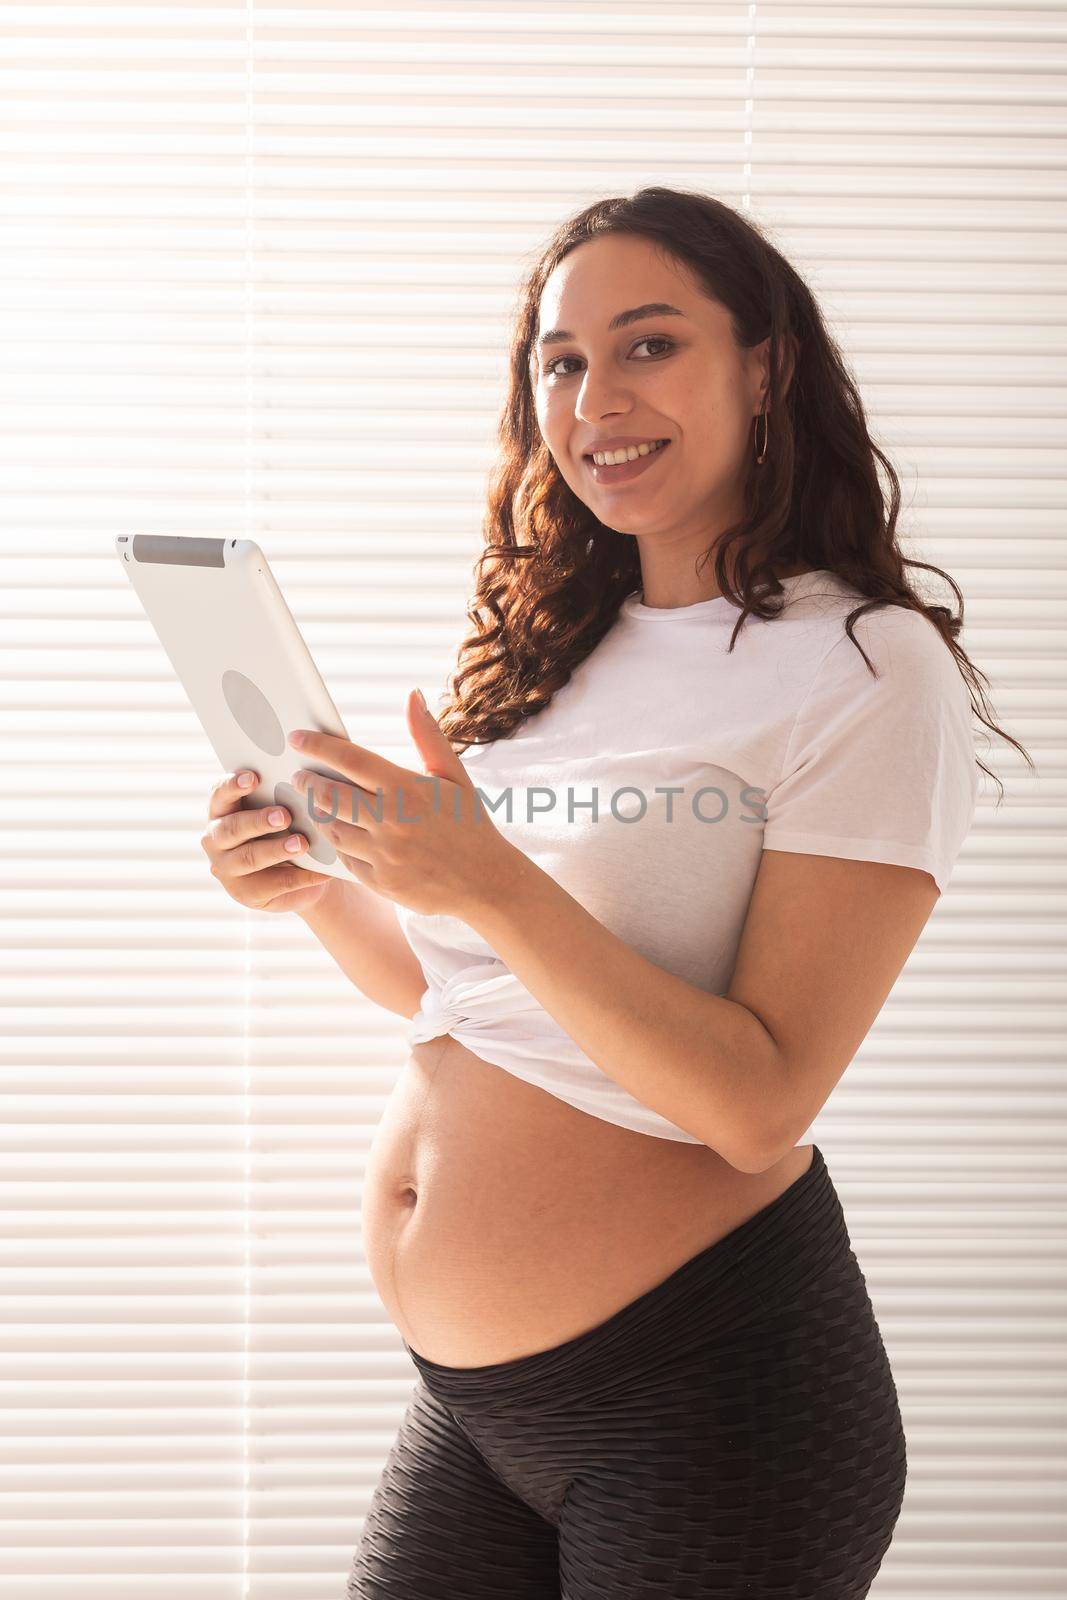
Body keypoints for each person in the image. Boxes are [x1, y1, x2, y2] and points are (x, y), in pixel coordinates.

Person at [203, 186, 1030, 1599]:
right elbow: (470, 996)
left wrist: (495, 880)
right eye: (562, 359)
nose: (598, 397)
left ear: (764, 366)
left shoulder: (868, 667)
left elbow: (761, 1098)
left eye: (649, 346)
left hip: (713, 1398)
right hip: (479, 1404)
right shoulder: (553, 658)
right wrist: (322, 891)